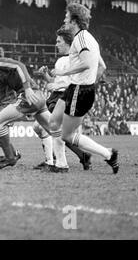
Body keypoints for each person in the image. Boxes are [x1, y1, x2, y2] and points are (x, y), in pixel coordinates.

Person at [48, 3, 118, 174]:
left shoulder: (80, 39)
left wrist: (64, 72)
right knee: (53, 121)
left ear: (74, 20)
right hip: (77, 88)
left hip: (79, 91)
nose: (64, 20)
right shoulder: (89, 38)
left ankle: (109, 154)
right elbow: (102, 66)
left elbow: (87, 63)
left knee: (67, 135)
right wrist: (90, 84)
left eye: (66, 17)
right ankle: (61, 164)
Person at [0, 53, 52, 169]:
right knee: (54, 129)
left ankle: (10, 158)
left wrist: (27, 88)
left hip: (28, 96)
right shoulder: (0, 72)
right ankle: (79, 155)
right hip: (39, 96)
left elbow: (20, 65)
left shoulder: (0, 63)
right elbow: (1, 93)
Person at [33, 25, 92, 171]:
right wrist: (45, 76)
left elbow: (75, 84)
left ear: (67, 42)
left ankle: (54, 161)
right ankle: (79, 156)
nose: (56, 44)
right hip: (55, 97)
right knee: (51, 130)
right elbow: (56, 84)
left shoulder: (75, 61)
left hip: (64, 97)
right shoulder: (60, 61)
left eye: (59, 41)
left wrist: (57, 87)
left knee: (48, 128)